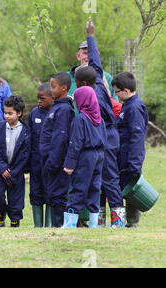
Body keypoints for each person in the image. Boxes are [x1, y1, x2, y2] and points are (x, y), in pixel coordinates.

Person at [75, 20, 126, 227]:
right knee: (99, 181)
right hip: (102, 136)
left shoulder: (93, 93)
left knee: (110, 180)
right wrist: (90, 35)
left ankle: (119, 221)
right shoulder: (96, 78)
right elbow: (95, 60)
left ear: (82, 83)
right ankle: (100, 221)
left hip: (105, 137)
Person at [62, 86, 107, 228]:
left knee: (78, 188)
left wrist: (69, 164)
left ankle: (70, 223)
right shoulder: (99, 119)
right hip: (99, 155)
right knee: (95, 188)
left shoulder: (80, 119)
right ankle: (94, 224)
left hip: (85, 156)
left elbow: (75, 143)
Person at [112, 72, 148, 228]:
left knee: (129, 191)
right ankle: (122, 222)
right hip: (122, 156)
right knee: (121, 189)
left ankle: (131, 222)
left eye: (117, 92)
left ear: (126, 91)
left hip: (130, 157)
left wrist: (134, 163)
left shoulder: (134, 107)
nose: (116, 95)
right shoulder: (128, 105)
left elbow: (137, 136)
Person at [39, 72, 75, 227]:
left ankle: (59, 225)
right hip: (48, 160)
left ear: (64, 88)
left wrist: (53, 161)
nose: (51, 90)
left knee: (58, 195)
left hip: (56, 162)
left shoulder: (65, 110)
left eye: (53, 87)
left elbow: (60, 138)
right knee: (53, 195)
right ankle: (56, 225)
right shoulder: (56, 108)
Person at [0, 96, 30, 228]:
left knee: (16, 200)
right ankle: (0, 217)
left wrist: (13, 172)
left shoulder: (26, 132)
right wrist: (2, 168)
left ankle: (15, 222)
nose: (6, 116)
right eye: (5, 112)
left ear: (19, 113)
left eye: (10, 113)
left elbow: (25, 155)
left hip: (16, 172)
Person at [27, 83, 54, 227]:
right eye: (38, 98)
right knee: (35, 193)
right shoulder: (34, 113)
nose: (39, 101)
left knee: (50, 194)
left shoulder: (58, 112)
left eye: (42, 98)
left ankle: (49, 225)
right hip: (36, 163)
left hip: (51, 164)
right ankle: (38, 226)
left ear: (52, 97)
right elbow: (29, 139)